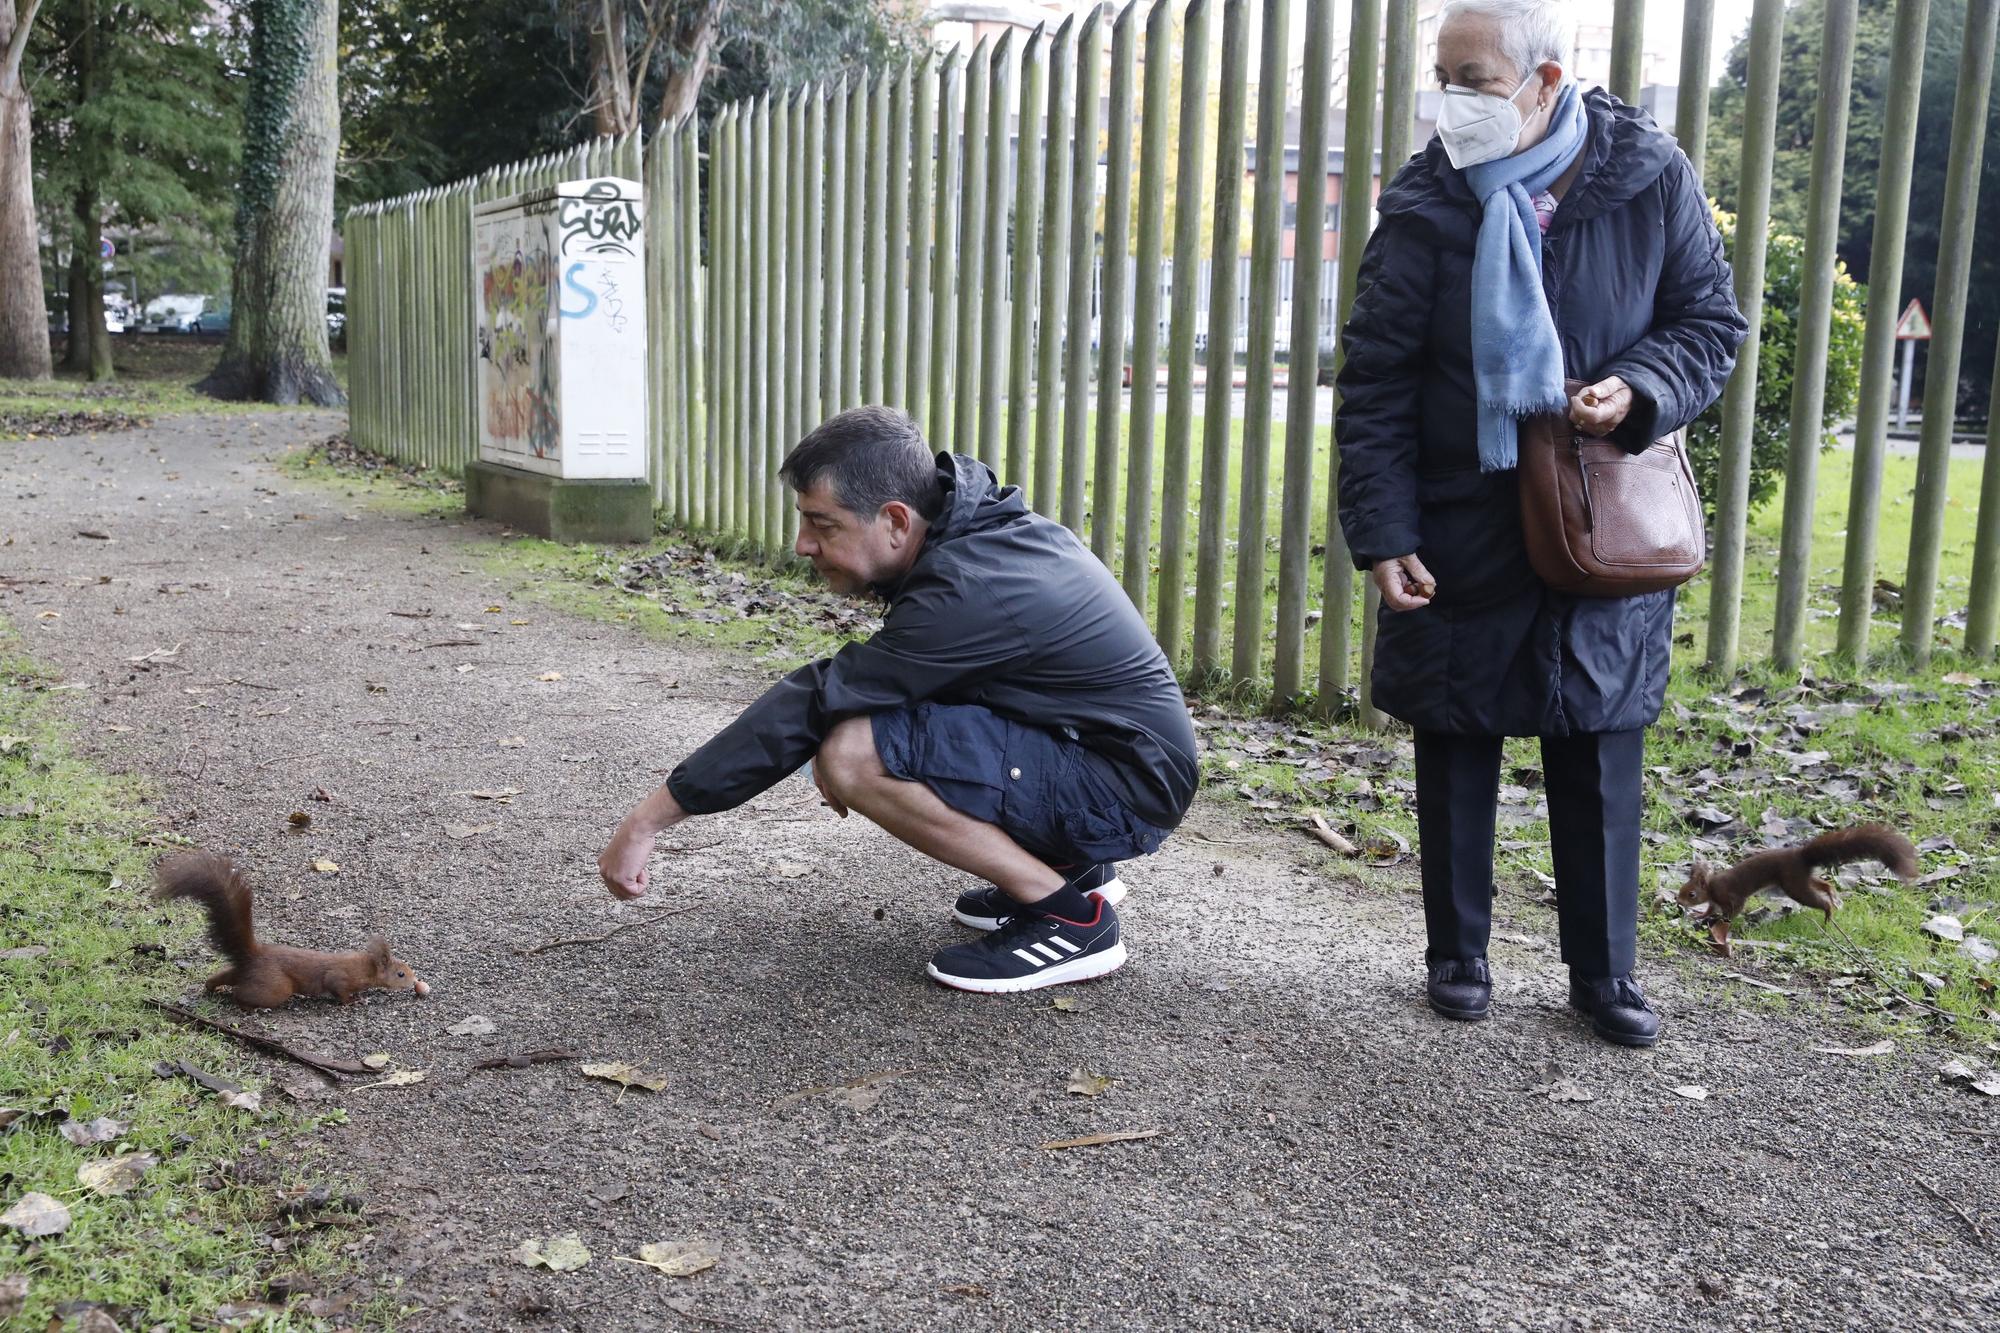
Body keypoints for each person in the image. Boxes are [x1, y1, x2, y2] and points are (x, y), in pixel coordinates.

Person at [1335, 0, 1749, 1046]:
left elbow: (1707, 323)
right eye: (1441, 75)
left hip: (1596, 508)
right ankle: (1456, 954)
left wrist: (1638, 388)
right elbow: (1375, 382)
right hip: (1455, 511)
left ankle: (1601, 974)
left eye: (1471, 79)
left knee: (1598, 739)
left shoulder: (1647, 179)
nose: (1448, 102)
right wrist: (1382, 534)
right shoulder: (1423, 204)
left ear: (1544, 81)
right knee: (1456, 732)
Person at [597, 406, 1199, 993]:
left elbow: (817, 697)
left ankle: (1071, 921)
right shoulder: (974, 535)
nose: (803, 544)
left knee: (854, 754)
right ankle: (1071, 867)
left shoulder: (969, 584)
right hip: (1101, 755)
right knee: (856, 727)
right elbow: (906, 685)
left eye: (823, 524)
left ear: (895, 521)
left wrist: (651, 819)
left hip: (1124, 789)